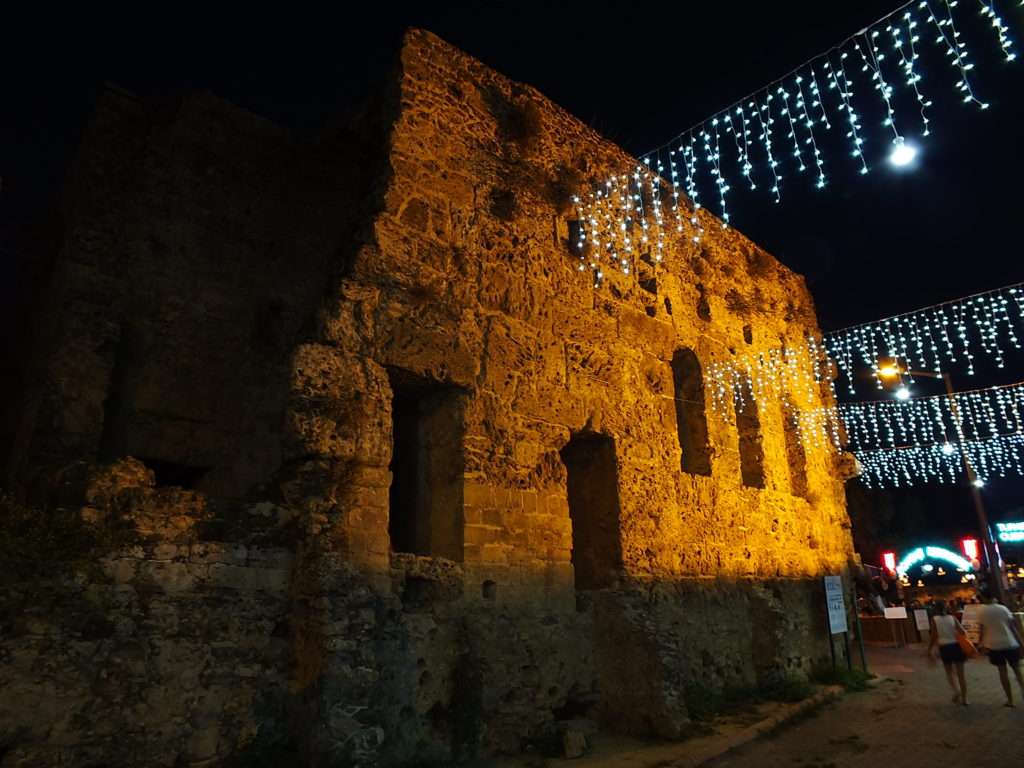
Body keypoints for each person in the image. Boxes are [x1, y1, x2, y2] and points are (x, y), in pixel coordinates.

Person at [977, 590, 1024, 706]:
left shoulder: (981, 611)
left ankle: (1010, 700)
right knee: (1018, 671)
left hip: (994, 645)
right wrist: (1021, 642)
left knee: (1002, 672)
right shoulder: (1003, 609)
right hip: (1010, 643)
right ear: (993, 597)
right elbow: (1012, 628)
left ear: (983, 598)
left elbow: (981, 631)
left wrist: (980, 644)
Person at [927, 601, 970, 705]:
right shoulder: (952, 618)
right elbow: (963, 632)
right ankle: (965, 699)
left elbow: (934, 636)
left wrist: (929, 649)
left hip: (944, 648)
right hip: (956, 646)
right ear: (946, 608)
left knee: (949, 672)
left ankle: (957, 691)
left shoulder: (934, 620)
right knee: (961, 675)